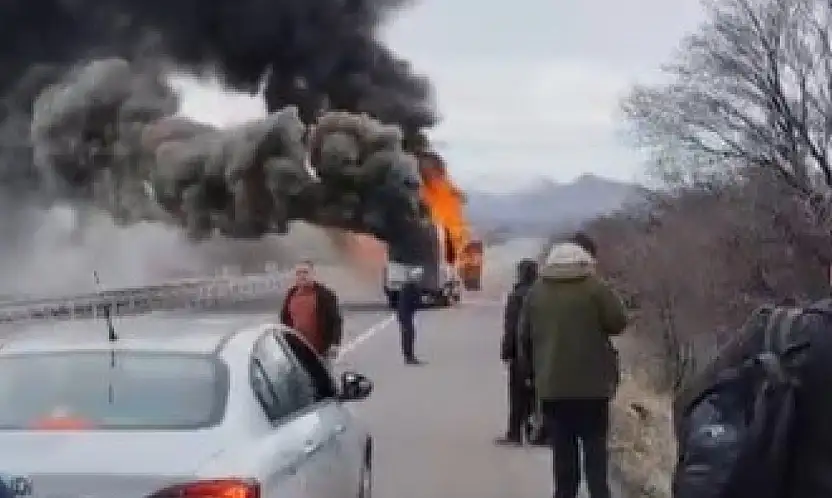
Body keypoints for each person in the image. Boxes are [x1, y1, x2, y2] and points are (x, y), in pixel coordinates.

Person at [519, 232, 628, 498]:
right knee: (596, 460)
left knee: (564, 462)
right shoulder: (595, 287)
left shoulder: (537, 292)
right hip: (593, 390)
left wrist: (531, 378)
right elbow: (619, 322)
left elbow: (523, 338)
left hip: (554, 389)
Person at [495, 258, 539, 446]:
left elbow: (511, 327)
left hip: (519, 353)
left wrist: (506, 351)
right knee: (534, 395)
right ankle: (534, 432)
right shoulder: (539, 295)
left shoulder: (517, 296)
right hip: (538, 351)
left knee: (517, 395)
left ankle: (514, 433)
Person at [280, 260, 343, 359]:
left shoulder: (325, 295)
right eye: (298, 273)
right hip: (296, 351)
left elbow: (336, 321)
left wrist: (335, 344)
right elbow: (284, 321)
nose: (302, 276)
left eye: (305, 272)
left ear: (313, 274)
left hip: (321, 351)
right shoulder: (290, 295)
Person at [397, 267, 423, 365]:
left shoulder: (409, 286)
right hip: (404, 313)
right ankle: (408, 357)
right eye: (418, 276)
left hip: (405, 313)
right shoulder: (410, 287)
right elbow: (416, 301)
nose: (419, 278)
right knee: (408, 334)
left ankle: (409, 356)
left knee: (410, 334)